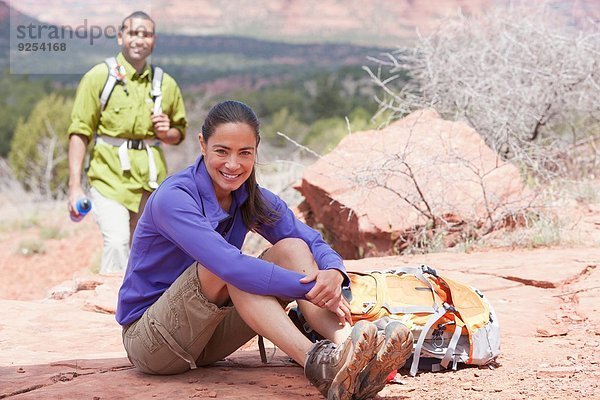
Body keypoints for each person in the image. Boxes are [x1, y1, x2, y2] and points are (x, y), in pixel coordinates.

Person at [115, 101, 413, 400]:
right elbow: (230, 267)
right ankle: (315, 361)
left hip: (207, 337)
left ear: (256, 151)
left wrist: (333, 272)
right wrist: (308, 288)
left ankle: (348, 349)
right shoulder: (174, 198)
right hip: (153, 342)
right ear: (202, 145)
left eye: (245, 153)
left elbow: (309, 240)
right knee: (230, 268)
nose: (233, 164)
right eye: (222, 151)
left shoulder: (250, 197)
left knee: (292, 247)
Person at [67, 11, 187, 275]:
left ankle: (138, 311)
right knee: (117, 241)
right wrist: (74, 187)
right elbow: (80, 132)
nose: (139, 39)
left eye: (146, 34)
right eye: (133, 33)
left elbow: (180, 132)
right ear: (121, 37)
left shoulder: (165, 84)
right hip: (108, 177)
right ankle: (111, 307)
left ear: (153, 41)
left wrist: (167, 133)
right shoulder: (99, 77)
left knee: (143, 247)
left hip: (150, 180)